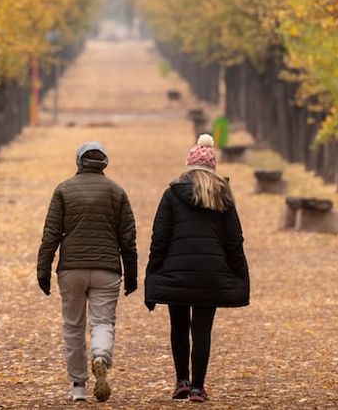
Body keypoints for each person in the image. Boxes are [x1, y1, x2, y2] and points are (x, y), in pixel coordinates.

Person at [144, 134, 249, 403]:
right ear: (213, 169)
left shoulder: (172, 194)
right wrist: (239, 274)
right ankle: (198, 388)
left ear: (189, 166)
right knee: (202, 329)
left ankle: (182, 381)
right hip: (211, 275)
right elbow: (234, 240)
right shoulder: (222, 195)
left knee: (179, 327)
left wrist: (153, 274)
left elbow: (160, 238)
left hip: (176, 272)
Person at [37, 141, 138, 402]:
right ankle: (101, 355)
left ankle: (78, 386)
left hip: (72, 268)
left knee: (73, 325)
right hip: (107, 268)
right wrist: (132, 273)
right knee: (103, 322)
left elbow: (51, 234)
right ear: (104, 162)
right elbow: (127, 237)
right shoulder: (117, 192)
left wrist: (43, 270)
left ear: (79, 162)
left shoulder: (63, 190)